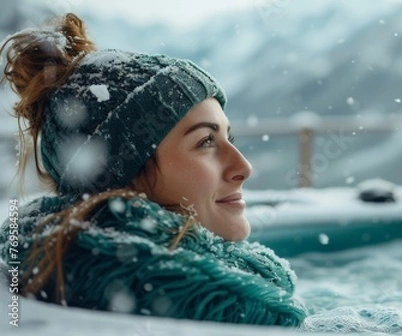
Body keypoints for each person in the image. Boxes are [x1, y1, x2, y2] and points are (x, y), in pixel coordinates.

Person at [0, 13, 307, 326]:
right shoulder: (226, 310)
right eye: (205, 142)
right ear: (123, 178)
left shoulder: (70, 276)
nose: (244, 167)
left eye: (228, 138)